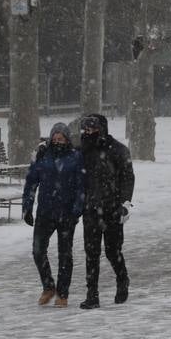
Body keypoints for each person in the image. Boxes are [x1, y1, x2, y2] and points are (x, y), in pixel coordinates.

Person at [22, 123, 85, 307]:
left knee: (65, 254)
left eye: (61, 139)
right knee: (37, 250)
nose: (58, 142)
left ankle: (62, 294)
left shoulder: (75, 157)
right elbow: (31, 182)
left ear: (67, 140)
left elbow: (81, 186)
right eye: (55, 139)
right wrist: (27, 208)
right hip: (45, 212)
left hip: (67, 214)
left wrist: (77, 210)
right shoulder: (43, 156)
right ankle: (48, 286)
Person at [77, 114, 134, 310]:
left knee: (112, 251)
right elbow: (64, 158)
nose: (88, 133)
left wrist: (125, 203)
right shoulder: (82, 151)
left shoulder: (117, 150)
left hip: (112, 209)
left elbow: (128, 177)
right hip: (90, 210)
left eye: (92, 129)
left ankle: (122, 279)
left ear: (102, 129)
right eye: (85, 129)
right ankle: (92, 294)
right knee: (91, 253)